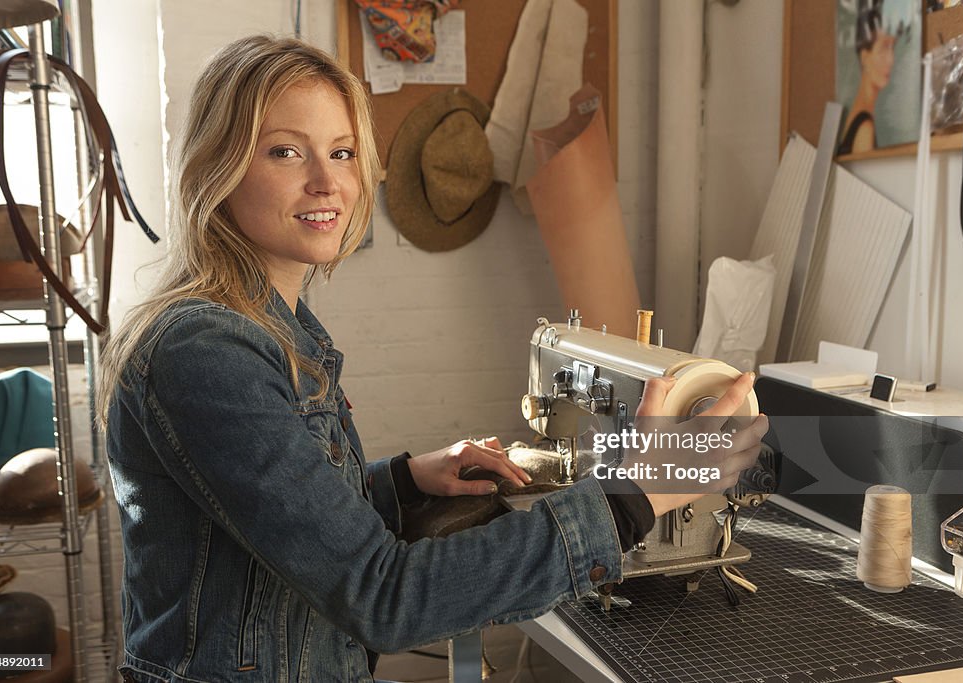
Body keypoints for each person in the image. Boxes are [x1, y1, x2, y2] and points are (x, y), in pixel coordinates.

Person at [96, 35, 769, 682]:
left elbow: (280, 529)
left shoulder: (275, 330)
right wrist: (634, 496)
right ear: (220, 165)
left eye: (342, 151)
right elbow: (383, 596)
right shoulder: (207, 352)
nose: (327, 182)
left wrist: (405, 483)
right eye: (284, 152)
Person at [838, 0, 896, 155]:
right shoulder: (865, 128)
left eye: (892, 47)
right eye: (884, 48)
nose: (891, 59)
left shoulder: (857, 115)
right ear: (864, 56)